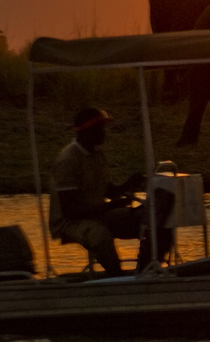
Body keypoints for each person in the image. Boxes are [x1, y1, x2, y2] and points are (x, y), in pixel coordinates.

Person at [49, 107, 172, 277]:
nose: (104, 132)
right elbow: (70, 211)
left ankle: (145, 268)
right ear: (87, 131)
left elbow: (108, 191)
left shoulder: (97, 154)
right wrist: (110, 206)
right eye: (100, 128)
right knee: (100, 235)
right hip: (70, 222)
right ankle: (116, 277)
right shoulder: (69, 160)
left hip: (97, 213)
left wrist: (128, 185)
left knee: (154, 218)